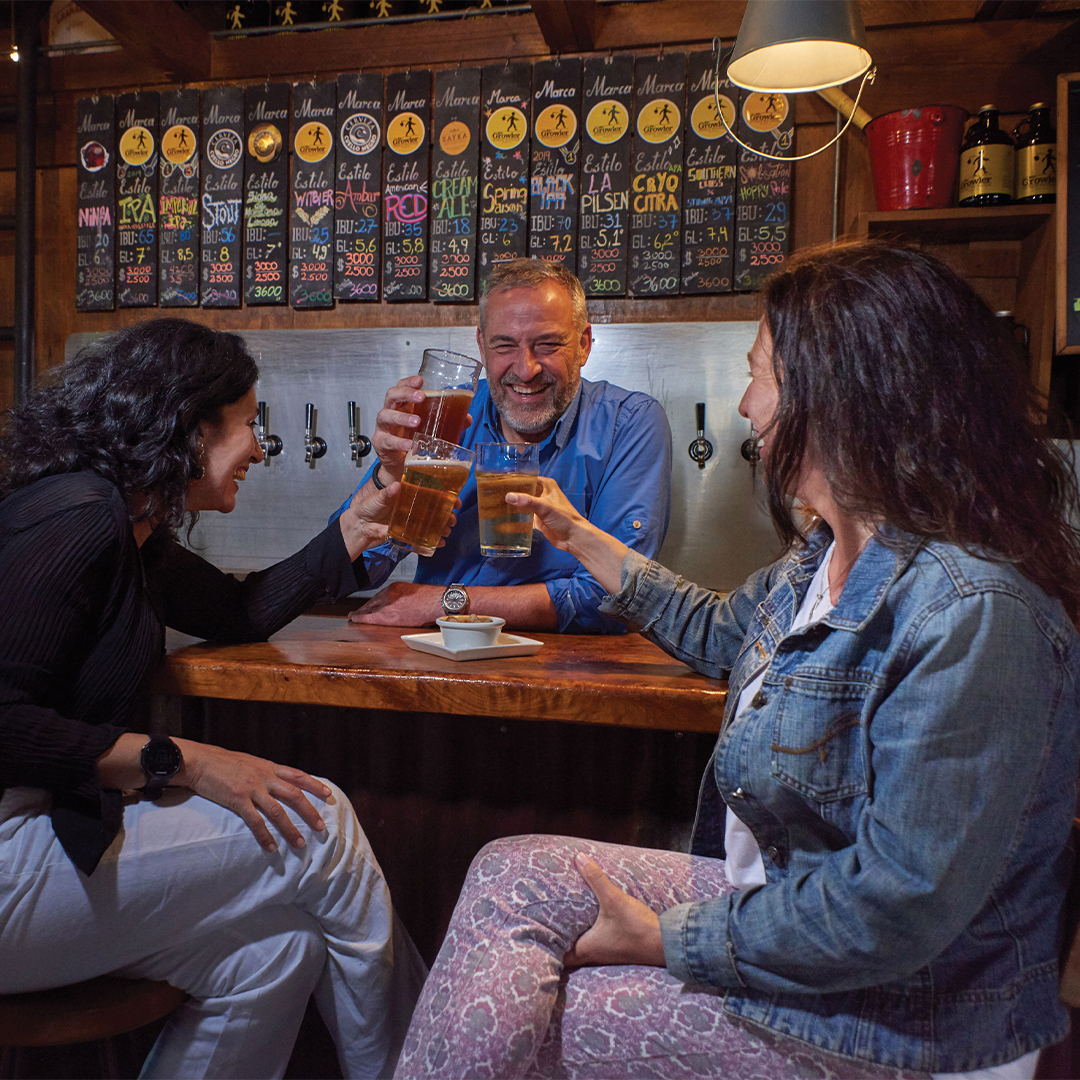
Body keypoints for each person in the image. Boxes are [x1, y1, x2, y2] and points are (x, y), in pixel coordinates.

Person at [393, 241, 1080, 1079]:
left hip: (904, 1018)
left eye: (761, 376)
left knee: (544, 1014)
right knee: (508, 873)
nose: (749, 407)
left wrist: (663, 940)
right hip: (785, 917)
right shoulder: (828, 556)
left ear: (843, 400)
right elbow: (722, 633)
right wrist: (574, 534)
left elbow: (899, 907)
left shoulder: (974, 609)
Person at [0, 319, 434, 1080]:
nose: (260, 449)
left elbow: (236, 613)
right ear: (188, 430)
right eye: (247, 426)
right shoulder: (78, 517)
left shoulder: (133, 526)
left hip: (33, 842)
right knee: (322, 821)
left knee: (275, 953)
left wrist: (356, 527)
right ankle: (423, 1071)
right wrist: (187, 763)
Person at [330, 258, 672, 633]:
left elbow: (620, 598)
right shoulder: (449, 412)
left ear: (584, 344)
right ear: (481, 345)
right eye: (504, 345)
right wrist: (388, 476)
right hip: (432, 656)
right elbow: (341, 574)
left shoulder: (630, 423)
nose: (525, 369)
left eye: (548, 344)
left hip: (561, 673)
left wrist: (447, 603)